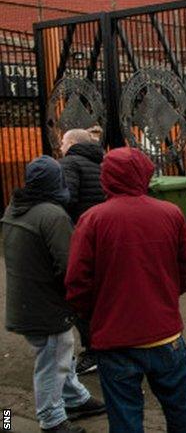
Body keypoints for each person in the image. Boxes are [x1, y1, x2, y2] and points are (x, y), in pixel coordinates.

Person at [65, 147, 186, 432]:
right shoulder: (170, 214)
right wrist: (164, 294)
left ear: (106, 177)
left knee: (125, 418)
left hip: (115, 339)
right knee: (180, 409)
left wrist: (97, 312)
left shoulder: (92, 220)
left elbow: (77, 283)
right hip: (165, 334)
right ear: (145, 174)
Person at [3, 156, 105, 433]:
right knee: (53, 359)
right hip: (46, 306)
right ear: (56, 181)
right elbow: (69, 265)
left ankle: (74, 398)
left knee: (60, 354)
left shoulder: (15, 209)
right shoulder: (53, 215)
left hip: (26, 300)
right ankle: (51, 419)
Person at [58, 128, 106, 375]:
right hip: (102, 235)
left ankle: (94, 350)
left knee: (79, 296)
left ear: (73, 143)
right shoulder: (101, 162)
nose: (60, 147)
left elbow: (67, 197)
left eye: (63, 142)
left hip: (80, 236)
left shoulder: (69, 163)